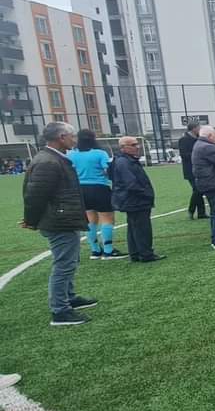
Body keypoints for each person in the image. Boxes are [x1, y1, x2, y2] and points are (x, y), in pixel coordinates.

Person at [21, 122, 97, 326]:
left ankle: (68, 298)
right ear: (61, 137)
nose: (75, 139)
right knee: (64, 265)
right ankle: (60, 310)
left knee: (70, 261)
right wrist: (31, 220)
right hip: (58, 221)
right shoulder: (48, 161)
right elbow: (35, 195)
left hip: (63, 218)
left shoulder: (55, 158)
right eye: (72, 136)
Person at [67, 129, 125, 260]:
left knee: (90, 219)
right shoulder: (100, 153)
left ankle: (95, 250)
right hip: (99, 187)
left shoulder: (71, 154)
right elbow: (106, 170)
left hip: (81, 189)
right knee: (107, 218)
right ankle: (108, 250)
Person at [111, 136, 164, 263]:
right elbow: (131, 184)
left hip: (132, 200)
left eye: (137, 144)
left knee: (133, 227)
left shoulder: (125, 160)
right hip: (135, 200)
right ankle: (146, 254)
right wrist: (146, 194)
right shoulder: (124, 162)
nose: (137, 147)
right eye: (133, 145)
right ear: (123, 147)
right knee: (142, 228)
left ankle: (135, 253)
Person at [178, 121, 207, 219]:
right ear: (194, 128)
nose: (200, 129)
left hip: (199, 168)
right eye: (199, 127)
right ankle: (191, 210)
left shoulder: (199, 138)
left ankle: (201, 213)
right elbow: (183, 155)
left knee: (199, 190)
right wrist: (196, 154)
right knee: (197, 189)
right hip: (190, 169)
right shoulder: (184, 140)